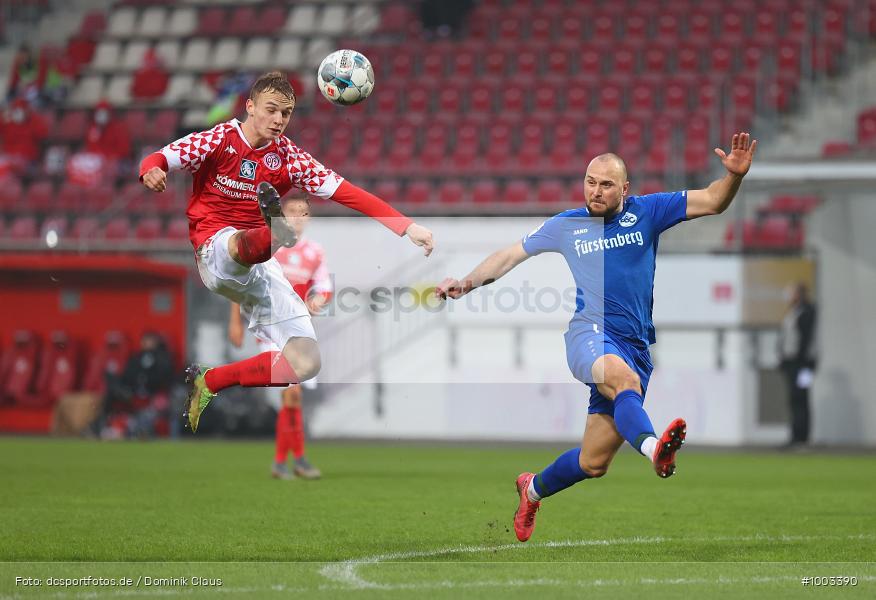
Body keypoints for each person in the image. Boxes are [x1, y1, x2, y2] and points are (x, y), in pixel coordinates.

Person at [437, 132, 757, 542]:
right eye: (590, 182)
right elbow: (510, 255)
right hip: (588, 335)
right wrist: (466, 283)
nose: (596, 190)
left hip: (634, 346)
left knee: (593, 463)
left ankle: (531, 490)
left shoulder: (649, 211)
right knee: (625, 382)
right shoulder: (567, 225)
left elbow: (713, 200)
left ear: (625, 189)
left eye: (606, 184)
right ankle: (655, 450)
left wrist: (734, 177)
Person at [139, 71, 434, 433]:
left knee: (305, 363)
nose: (279, 119)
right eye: (271, 109)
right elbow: (159, 157)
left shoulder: (290, 157)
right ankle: (275, 232)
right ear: (250, 106)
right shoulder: (218, 139)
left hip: (261, 269)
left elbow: (348, 192)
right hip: (214, 248)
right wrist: (150, 171)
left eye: (286, 113)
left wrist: (406, 226)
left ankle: (211, 381)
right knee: (237, 244)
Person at [227, 194, 329, 480]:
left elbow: (324, 286)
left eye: (303, 212)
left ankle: (290, 461)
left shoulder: (315, 252)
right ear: (282, 214)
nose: (297, 217)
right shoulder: (269, 245)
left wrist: (319, 299)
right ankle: (290, 461)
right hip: (272, 328)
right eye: (292, 211)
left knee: (292, 399)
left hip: (298, 331)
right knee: (291, 394)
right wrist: (234, 321)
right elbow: (241, 280)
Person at [777, 282, 817, 447]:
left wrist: (802, 362)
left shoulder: (808, 311)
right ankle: (796, 435)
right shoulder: (793, 312)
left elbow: (806, 339)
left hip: (804, 365)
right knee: (794, 398)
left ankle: (802, 437)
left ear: (799, 294)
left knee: (802, 397)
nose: (789, 297)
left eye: (792, 293)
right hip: (791, 363)